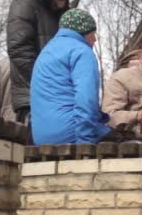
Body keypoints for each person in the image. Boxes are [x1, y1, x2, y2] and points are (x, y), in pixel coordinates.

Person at [30, 9, 110, 144]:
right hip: (71, 135)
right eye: (93, 33)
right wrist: (86, 141)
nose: (95, 39)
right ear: (84, 32)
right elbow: (86, 99)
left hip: (40, 138)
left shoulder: (46, 51)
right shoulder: (81, 51)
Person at [7, 0, 73, 123]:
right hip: (32, 96)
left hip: (59, 97)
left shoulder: (65, 15)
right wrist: (47, 82)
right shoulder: (24, 5)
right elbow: (19, 50)